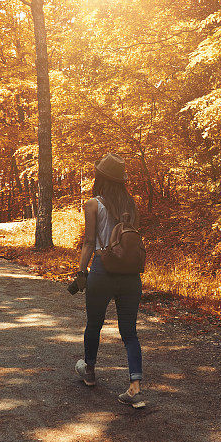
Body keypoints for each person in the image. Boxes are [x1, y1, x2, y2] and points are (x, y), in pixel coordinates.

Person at [74, 152, 145, 407]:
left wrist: (82, 272)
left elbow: (90, 242)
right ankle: (135, 388)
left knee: (94, 324)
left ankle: (90, 371)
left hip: (103, 271)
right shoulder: (131, 205)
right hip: (130, 274)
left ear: (99, 177)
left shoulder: (93, 204)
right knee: (130, 333)